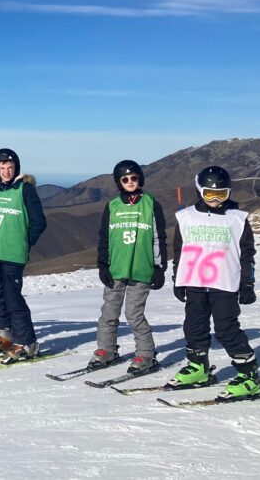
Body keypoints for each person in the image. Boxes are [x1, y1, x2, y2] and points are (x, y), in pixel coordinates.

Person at [169, 166, 260, 400]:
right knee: (193, 326)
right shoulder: (186, 216)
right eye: (210, 194)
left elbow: (247, 254)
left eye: (221, 194)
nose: (215, 199)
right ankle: (198, 367)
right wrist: (177, 278)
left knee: (226, 329)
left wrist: (247, 284)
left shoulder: (237, 219)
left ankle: (249, 375)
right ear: (200, 191)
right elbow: (180, 250)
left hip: (225, 282)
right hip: (194, 280)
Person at [92, 160, 168, 374]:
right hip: (116, 268)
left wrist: (159, 267)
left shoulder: (151, 204)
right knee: (109, 312)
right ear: (119, 182)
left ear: (140, 179)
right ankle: (106, 350)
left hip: (141, 269)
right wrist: (102, 265)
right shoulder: (113, 205)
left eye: (134, 178)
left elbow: (158, 237)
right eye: (125, 179)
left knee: (134, 314)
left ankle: (146, 354)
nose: (130, 182)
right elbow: (104, 237)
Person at [0, 149, 47, 362]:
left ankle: (27, 342)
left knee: (13, 297)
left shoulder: (24, 189)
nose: (6, 171)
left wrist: (24, 243)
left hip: (12, 254)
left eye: (10, 167)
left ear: (16, 167)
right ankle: (4, 338)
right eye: (2, 168)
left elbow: (39, 222)